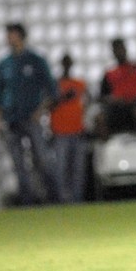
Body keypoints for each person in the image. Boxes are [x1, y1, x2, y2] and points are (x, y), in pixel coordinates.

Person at [0, 23, 62, 205]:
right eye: (7, 34)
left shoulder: (36, 60)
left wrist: (40, 111)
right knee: (18, 163)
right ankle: (27, 202)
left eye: (12, 34)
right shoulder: (4, 64)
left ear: (21, 36)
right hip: (11, 120)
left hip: (32, 119)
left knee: (42, 159)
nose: (9, 38)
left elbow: (52, 91)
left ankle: (53, 198)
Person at [95, 38, 136, 139]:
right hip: (118, 108)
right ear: (113, 52)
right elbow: (102, 97)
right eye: (116, 49)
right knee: (99, 118)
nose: (119, 52)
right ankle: (108, 148)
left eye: (121, 48)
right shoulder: (109, 74)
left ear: (125, 49)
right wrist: (111, 99)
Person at [50, 54, 89, 203]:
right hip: (60, 132)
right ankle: (62, 201)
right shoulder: (54, 84)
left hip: (78, 130)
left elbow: (88, 102)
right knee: (60, 169)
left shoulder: (80, 83)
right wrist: (63, 97)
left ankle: (77, 200)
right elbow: (48, 104)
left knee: (78, 170)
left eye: (69, 62)